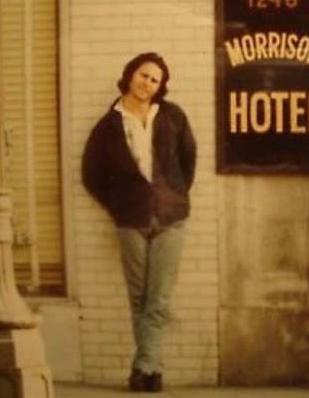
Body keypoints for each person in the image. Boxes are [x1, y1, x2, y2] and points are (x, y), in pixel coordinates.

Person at [82, 52, 196, 392]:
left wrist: (174, 194)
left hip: (172, 219)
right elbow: (91, 175)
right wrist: (118, 206)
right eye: (143, 75)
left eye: (155, 79)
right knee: (139, 297)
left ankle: (145, 367)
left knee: (158, 298)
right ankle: (149, 372)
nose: (147, 83)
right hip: (130, 220)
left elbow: (187, 160)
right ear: (130, 75)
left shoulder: (173, 116)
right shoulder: (107, 126)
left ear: (161, 86)